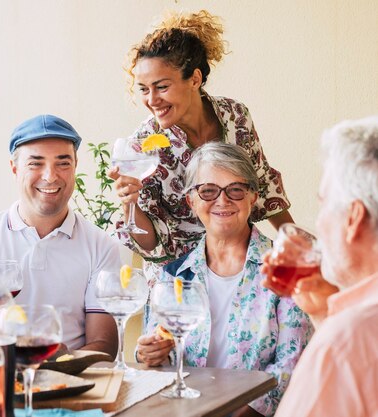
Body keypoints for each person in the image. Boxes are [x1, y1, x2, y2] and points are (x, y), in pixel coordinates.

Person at [136, 143, 312, 417]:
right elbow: (157, 358)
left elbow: (292, 364)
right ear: (191, 201)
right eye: (208, 190)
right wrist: (149, 355)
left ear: (252, 197)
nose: (222, 200)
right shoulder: (172, 275)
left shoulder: (287, 268)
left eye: (236, 189)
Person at [110, 10, 293, 272]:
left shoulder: (235, 116)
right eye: (143, 89)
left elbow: (263, 185)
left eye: (161, 87)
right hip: (180, 276)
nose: (151, 100)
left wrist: (294, 241)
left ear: (194, 79)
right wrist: (130, 202)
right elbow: (150, 242)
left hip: (237, 263)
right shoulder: (144, 145)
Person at [0, 114, 119, 357]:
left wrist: (59, 359)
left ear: (75, 166)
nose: (50, 176)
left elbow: (104, 347)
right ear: (14, 168)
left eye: (63, 163)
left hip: (74, 383)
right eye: (35, 163)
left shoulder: (102, 247)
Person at [262, 117, 378, 417]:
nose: (318, 221)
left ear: (353, 219)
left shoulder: (345, 342)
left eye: (323, 203)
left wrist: (334, 331)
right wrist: (323, 314)